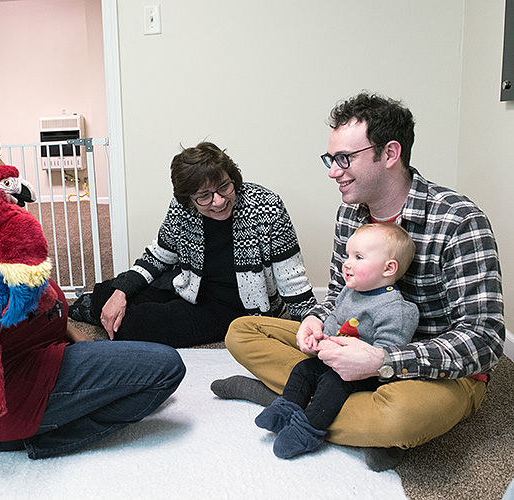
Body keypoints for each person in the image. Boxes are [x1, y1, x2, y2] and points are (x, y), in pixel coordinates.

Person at [212, 92, 505, 471]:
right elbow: (338, 294)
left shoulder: (459, 221)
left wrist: (383, 360)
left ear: (390, 153)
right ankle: (331, 411)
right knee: (241, 331)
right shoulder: (350, 214)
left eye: (344, 159)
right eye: (331, 159)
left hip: (430, 370)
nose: (333, 171)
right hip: (349, 345)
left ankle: (284, 400)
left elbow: (485, 339)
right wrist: (317, 321)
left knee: (398, 418)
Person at [0, 108, 186, 459]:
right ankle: (20, 437)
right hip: (4, 389)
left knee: (145, 373)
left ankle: (43, 418)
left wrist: (67, 329)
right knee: (166, 369)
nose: (0, 165)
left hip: (43, 354)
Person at [69, 142, 317, 348]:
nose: (218, 201)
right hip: (189, 286)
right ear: (189, 200)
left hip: (233, 308)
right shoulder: (182, 209)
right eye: (204, 196)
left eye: (224, 187)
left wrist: (310, 325)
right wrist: (120, 293)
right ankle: (98, 306)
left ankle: (93, 311)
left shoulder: (266, 206)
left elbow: (292, 281)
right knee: (110, 291)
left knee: (136, 324)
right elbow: (158, 256)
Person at [254, 223, 418, 459]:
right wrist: (318, 338)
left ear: (388, 268)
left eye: (358, 257)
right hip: (334, 358)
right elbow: (333, 321)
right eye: (348, 255)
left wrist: (352, 358)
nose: (347, 263)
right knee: (303, 370)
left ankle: (308, 429)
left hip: (365, 374)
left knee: (332, 383)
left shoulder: (395, 309)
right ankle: (286, 407)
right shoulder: (350, 292)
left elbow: (387, 353)